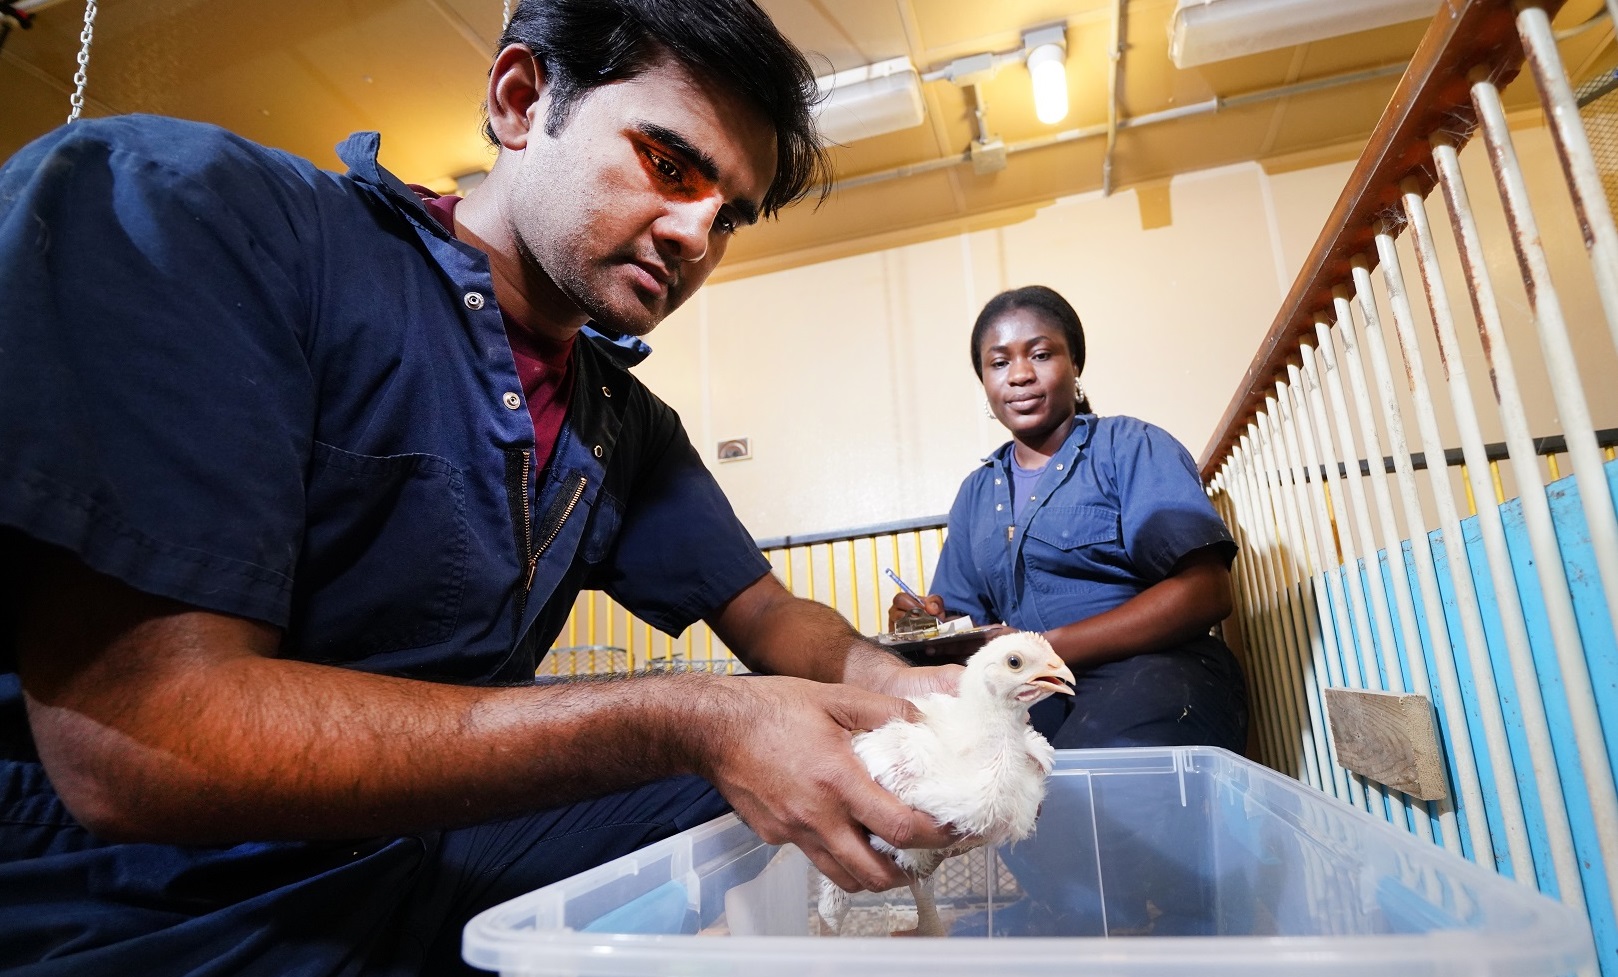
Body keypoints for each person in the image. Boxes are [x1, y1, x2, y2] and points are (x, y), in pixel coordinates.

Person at [0, 1, 963, 973]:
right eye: (670, 167)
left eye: (728, 215)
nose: (694, 236)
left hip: (409, 851)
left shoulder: (618, 422)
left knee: (820, 778)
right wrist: (689, 712)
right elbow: (138, 743)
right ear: (519, 99)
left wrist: (894, 679)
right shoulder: (212, 217)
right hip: (139, 895)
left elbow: (769, 614)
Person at [890, 285, 1247, 752]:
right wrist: (923, 626)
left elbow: (1206, 592)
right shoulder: (975, 493)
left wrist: (1046, 648)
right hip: (1032, 694)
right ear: (984, 383)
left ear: (1074, 365)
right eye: (999, 363)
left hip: (1155, 669)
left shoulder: (1130, 445)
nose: (1019, 375)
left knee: (1089, 777)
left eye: (1039, 355)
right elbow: (963, 626)